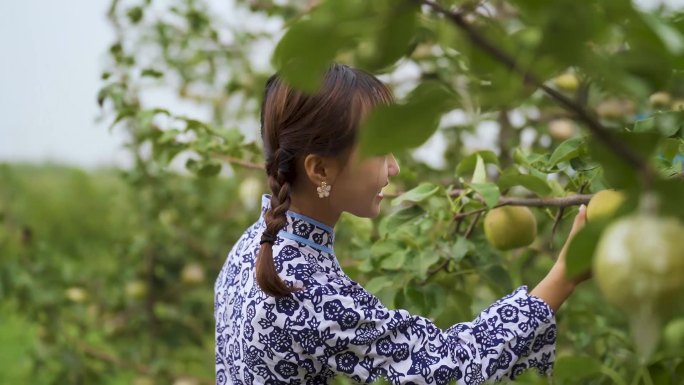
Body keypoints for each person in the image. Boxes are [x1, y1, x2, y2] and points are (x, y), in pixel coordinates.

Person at [214, 63, 589, 385]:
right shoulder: (305, 289)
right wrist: (564, 276)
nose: (394, 167)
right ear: (320, 169)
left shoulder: (254, 245)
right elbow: (446, 370)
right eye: (380, 150)